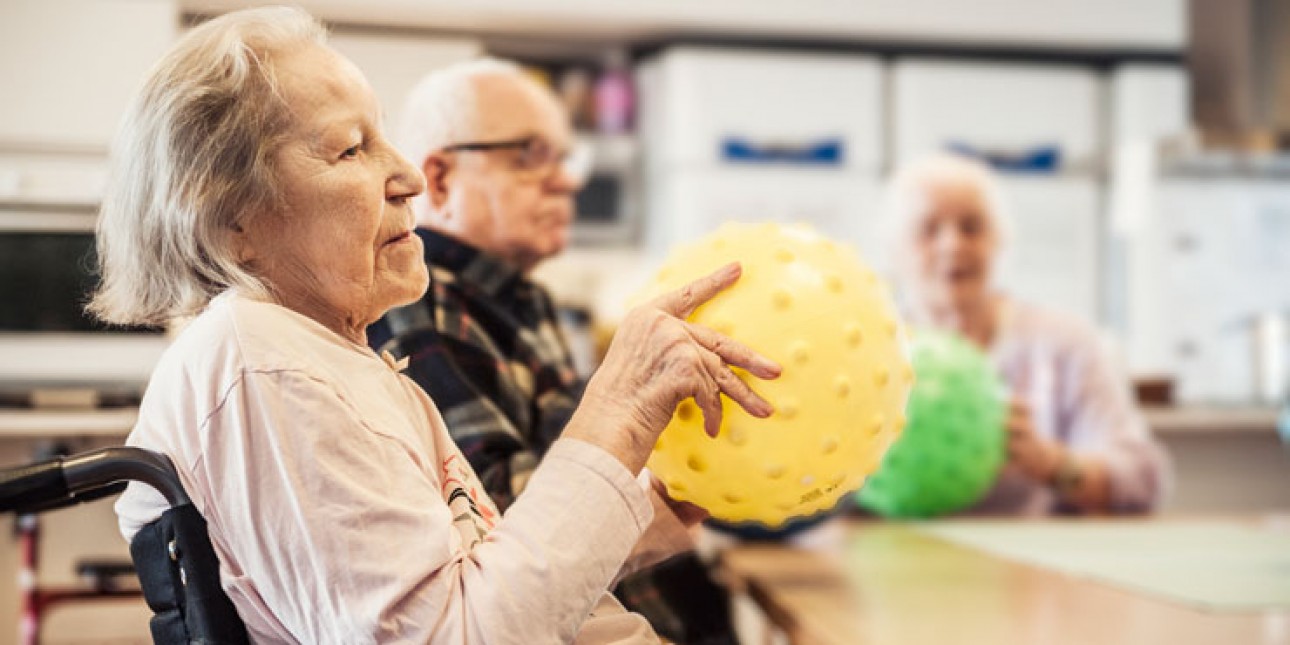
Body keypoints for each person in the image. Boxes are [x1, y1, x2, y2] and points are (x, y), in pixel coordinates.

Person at [95, 7, 781, 643]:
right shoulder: (264, 363)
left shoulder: (328, 357)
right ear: (228, 219)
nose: (408, 176)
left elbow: (477, 587)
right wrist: (619, 413)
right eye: (350, 150)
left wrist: (636, 520)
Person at [370, 60, 740, 644]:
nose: (566, 182)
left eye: (564, 160)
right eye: (528, 156)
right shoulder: (421, 306)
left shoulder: (521, 298)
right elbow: (498, 528)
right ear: (438, 179)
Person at [884, 153, 1170, 515]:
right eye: (928, 229)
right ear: (894, 250)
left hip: (1031, 561)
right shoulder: (869, 351)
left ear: (1001, 241)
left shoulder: (1065, 341)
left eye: (972, 227)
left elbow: (1143, 481)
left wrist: (1052, 464)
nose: (953, 244)